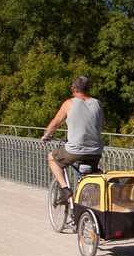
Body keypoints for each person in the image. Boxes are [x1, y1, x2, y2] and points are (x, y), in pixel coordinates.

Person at [41, 76, 104, 204]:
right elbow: (100, 124)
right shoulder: (97, 104)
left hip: (75, 150)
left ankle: (65, 190)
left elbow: (55, 123)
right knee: (90, 175)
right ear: (88, 89)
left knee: (52, 158)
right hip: (96, 151)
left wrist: (46, 135)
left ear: (73, 89)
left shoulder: (69, 103)